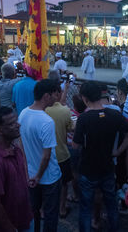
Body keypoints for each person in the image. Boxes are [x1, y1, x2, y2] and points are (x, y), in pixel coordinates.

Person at [72, 81, 128, 232]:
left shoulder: (84, 119)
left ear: (85, 98)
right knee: (111, 204)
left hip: (88, 168)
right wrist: (118, 151)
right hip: (107, 166)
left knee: (86, 207)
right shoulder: (114, 114)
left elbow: (76, 146)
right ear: (101, 95)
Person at [19, 79, 62, 232]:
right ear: (46, 96)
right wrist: (38, 176)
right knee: (50, 215)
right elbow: (46, 155)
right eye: (53, 95)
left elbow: (21, 144)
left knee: (34, 211)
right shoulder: (46, 121)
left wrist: (28, 172)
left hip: (30, 175)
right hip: (48, 177)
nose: (56, 98)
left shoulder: (23, 113)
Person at [45, 89, 74, 219]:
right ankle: (62, 209)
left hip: (45, 154)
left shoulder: (42, 110)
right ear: (57, 93)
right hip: (62, 153)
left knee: (45, 182)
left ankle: (42, 209)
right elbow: (70, 128)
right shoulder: (65, 110)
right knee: (64, 183)